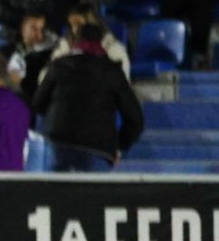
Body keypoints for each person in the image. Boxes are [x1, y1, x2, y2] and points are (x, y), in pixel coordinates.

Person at [32, 22, 144, 172]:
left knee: (54, 195)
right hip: (98, 150)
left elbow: (38, 104)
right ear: (101, 43)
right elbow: (136, 120)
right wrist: (119, 146)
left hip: (58, 145)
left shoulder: (59, 66)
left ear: (74, 42)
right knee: (94, 195)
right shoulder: (112, 72)